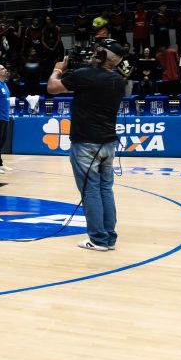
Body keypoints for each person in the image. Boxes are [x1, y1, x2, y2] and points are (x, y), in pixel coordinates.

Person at [46, 39, 128, 251]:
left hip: (86, 143)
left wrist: (58, 69)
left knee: (90, 191)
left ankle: (98, 239)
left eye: (97, 51)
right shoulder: (119, 80)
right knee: (105, 189)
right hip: (108, 143)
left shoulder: (85, 75)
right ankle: (109, 237)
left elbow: (52, 88)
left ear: (102, 55)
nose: (93, 54)